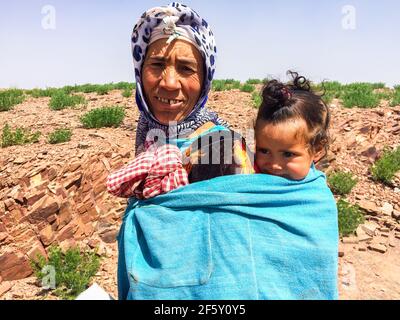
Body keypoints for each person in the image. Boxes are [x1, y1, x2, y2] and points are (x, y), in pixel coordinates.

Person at [117, 3, 338, 300]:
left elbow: (240, 269)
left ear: (205, 77)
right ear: (140, 70)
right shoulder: (149, 135)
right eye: (157, 65)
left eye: (185, 68)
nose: (169, 82)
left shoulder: (221, 150)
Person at [253, 71, 330, 180]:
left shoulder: (315, 195)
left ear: (317, 150)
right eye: (264, 151)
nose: (274, 165)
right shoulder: (245, 174)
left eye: (287, 154)